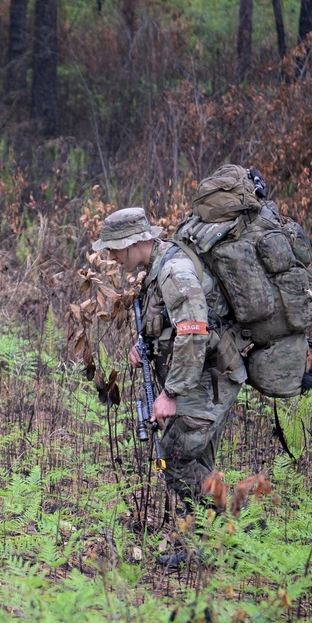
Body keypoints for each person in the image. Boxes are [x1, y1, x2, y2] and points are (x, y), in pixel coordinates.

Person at [92, 207, 247, 513]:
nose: (111, 257)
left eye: (113, 249)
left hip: (210, 379)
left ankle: (242, 526)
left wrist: (170, 394)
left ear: (132, 243)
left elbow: (193, 331)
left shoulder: (174, 270)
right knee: (195, 460)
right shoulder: (158, 267)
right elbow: (171, 326)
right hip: (202, 376)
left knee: (172, 458)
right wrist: (145, 346)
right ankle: (200, 546)